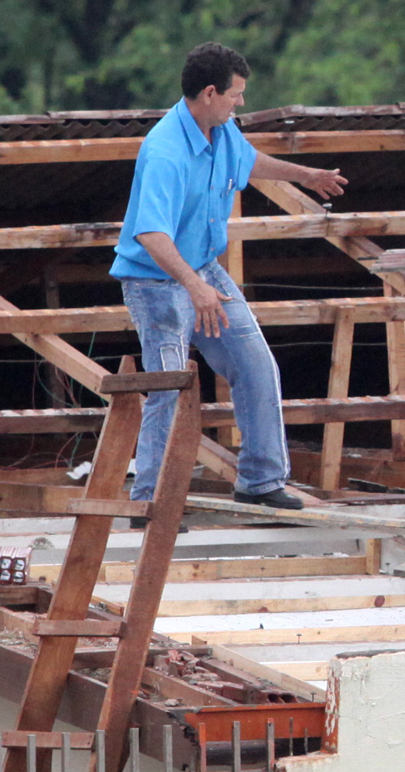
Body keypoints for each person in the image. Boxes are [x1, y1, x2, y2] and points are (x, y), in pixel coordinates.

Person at [111, 43, 348, 508]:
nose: (241, 102)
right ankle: (149, 503)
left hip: (203, 269)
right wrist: (195, 289)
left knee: (256, 365)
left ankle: (260, 483)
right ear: (210, 92)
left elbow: (249, 161)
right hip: (157, 282)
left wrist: (305, 174)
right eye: (236, 94)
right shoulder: (165, 150)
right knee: (169, 389)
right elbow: (151, 235)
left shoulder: (222, 131)